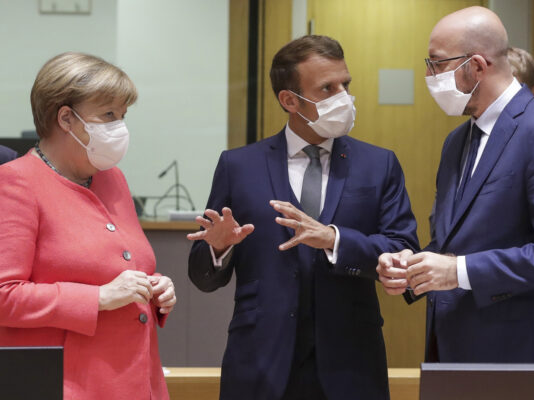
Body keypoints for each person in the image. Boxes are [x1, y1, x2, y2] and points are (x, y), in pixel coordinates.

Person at [188, 35, 418, 400]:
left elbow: (403, 247)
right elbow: (203, 275)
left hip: (351, 363)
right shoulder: (238, 166)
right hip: (260, 362)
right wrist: (217, 249)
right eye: (327, 88)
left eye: (346, 84)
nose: (343, 96)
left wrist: (335, 239)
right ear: (289, 100)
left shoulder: (379, 164)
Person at [377, 6, 534, 363]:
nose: (429, 76)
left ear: (476, 66)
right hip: (453, 347)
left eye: (437, 64)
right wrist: (413, 267)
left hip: (520, 355)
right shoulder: (457, 141)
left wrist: (458, 271)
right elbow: (456, 242)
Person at [0, 52, 176, 399]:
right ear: (66, 118)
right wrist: (98, 297)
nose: (119, 127)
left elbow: (123, 267)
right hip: (70, 384)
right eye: (108, 114)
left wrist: (156, 289)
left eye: (122, 115)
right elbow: (5, 295)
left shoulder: (114, 180)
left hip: (138, 381)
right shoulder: (16, 182)